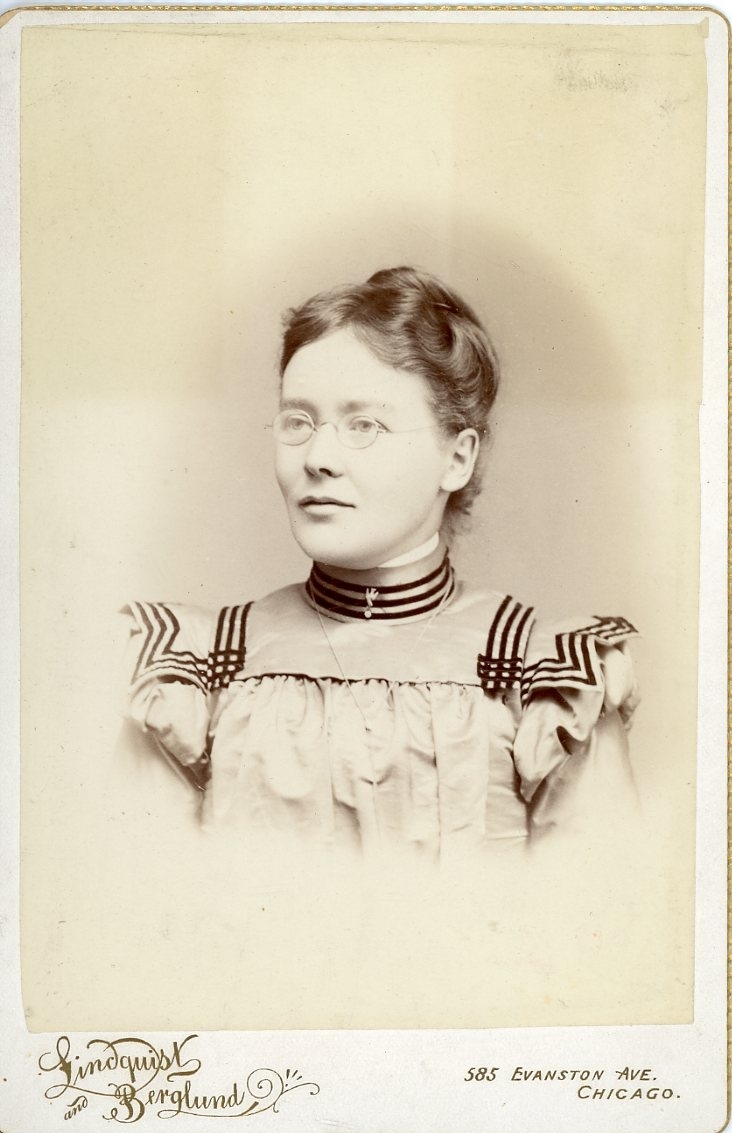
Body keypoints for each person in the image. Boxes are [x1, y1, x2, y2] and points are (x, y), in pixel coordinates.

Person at [123, 266, 640, 866]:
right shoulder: (200, 667)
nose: (318, 458)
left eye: (363, 425)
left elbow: (594, 904)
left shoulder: (542, 675)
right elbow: (148, 897)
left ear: (457, 458)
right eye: (298, 422)